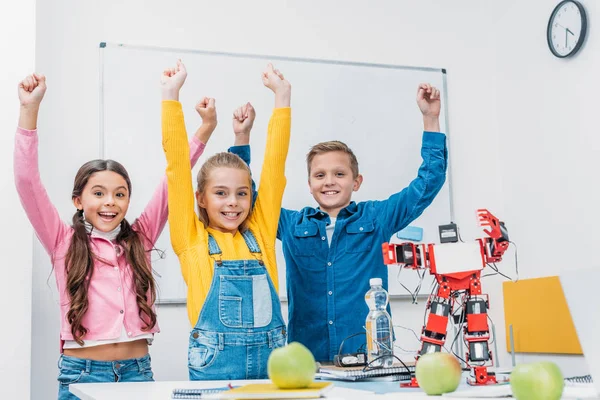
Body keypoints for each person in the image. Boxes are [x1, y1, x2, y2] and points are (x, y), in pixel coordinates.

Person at [14, 73, 212, 399]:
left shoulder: (141, 236)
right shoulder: (63, 240)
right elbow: (26, 182)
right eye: (99, 193)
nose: (110, 202)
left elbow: (172, 181)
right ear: (79, 200)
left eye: (120, 194)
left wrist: (202, 132)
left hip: (138, 371)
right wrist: (28, 112)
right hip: (82, 374)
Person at [231, 83, 447, 362]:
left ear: (356, 182)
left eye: (339, 174)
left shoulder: (377, 218)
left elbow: (428, 183)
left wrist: (430, 118)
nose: (329, 181)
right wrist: (241, 138)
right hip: (306, 355)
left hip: (368, 354)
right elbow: (245, 197)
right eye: (319, 175)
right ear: (309, 185)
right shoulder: (291, 224)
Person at [160, 60, 292, 380]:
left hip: (271, 364)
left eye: (242, 194)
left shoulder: (260, 232)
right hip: (214, 366)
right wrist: (170, 96)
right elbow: (177, 167)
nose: (233, 202)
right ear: (200, 198)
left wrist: (282, 98)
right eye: (221, 193)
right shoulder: (190, 238)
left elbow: (274, 166)